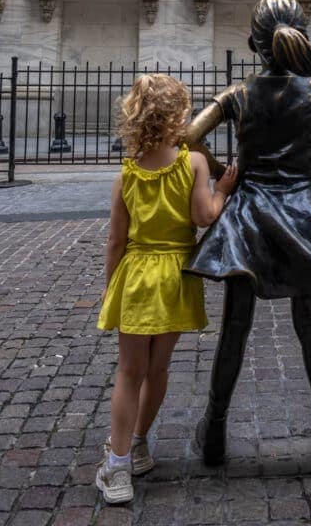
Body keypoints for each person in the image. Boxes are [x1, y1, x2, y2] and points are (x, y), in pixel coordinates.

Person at [184, 0, 311, 477]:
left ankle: (214, 431)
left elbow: (187, 137)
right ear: (299, 37)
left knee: (235, 326)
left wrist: (222, 172)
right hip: (302, 213)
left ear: (255, 44)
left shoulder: (238, 94)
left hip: (248, 212)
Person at [96, 73, 237, 504]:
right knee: (158, 370)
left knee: (128, 371)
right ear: (177, 116)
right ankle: (138, 444)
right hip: (177, 275)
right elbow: (204, 216)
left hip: (138, 277)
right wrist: (224, 189)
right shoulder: (192, 163)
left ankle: (117, 467)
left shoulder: (127, 174)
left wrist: (110, 288)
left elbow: (116, 241)